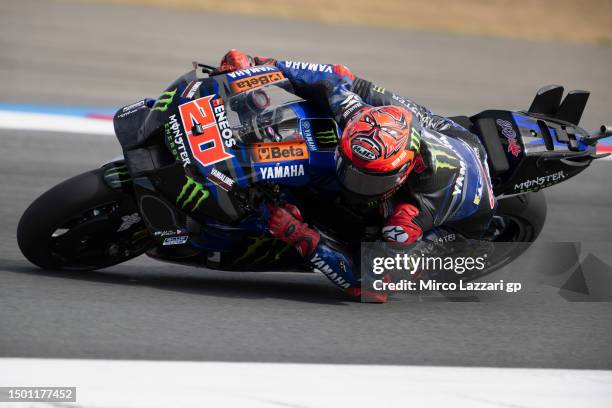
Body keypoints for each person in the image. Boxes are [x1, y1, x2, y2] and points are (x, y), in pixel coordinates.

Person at [218, 50, 497, 302]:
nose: (353, 184)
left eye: (368, 180)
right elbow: (333, 77)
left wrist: (299, 234)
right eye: (349, 167)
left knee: (379, 249)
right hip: (446, 135)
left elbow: (370, 287)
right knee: (356, 85)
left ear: (399, 175)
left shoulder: (410, 215)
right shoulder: (358, 115)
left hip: (461, 217)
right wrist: (255, 68)